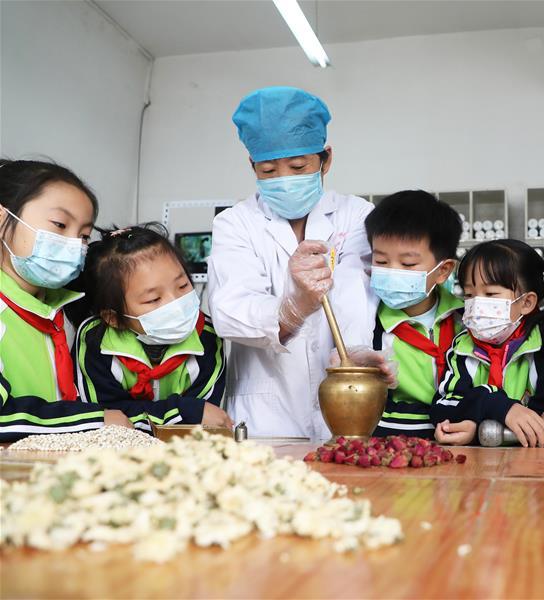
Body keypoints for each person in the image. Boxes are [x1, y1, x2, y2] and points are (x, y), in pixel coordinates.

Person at [208, 86, 386, 438]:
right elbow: (229, 311)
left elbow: (355, 296)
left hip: (345, 406)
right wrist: (295, 307)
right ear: (252, 166)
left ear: (326, 159)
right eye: (269, 170)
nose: (285, 179)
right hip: (263, 416)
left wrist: (354, 355)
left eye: (299, 166)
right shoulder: (234, 223)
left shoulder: (357, 215)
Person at [0, 159, 132, 441]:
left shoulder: (66, 313)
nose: (73, 244)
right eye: (60, 225)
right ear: (2, 218)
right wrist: (90, 421)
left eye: (83, 236)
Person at [74, 224, 231, 431]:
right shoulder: (94, 339)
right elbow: (107, 418)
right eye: (153, 299)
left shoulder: (208, 336)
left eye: (183, 286)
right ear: (114, 318)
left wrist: (189, 414)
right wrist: (182, 412)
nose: (176, 303)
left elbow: (205, 417)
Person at [432, 240, 544, 447]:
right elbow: (443, 408)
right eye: (469, 295)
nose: (476, 304)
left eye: (490, 294)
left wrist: (481, 414)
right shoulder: (462, 347)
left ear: (526, 302)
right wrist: (494, 406)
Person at [365, 190, 463, 437]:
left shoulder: (467, 322)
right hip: (392, 449)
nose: (393, 271)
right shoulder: (370, 326)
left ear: (444, 270)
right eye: (382, 262)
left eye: (408, 264)